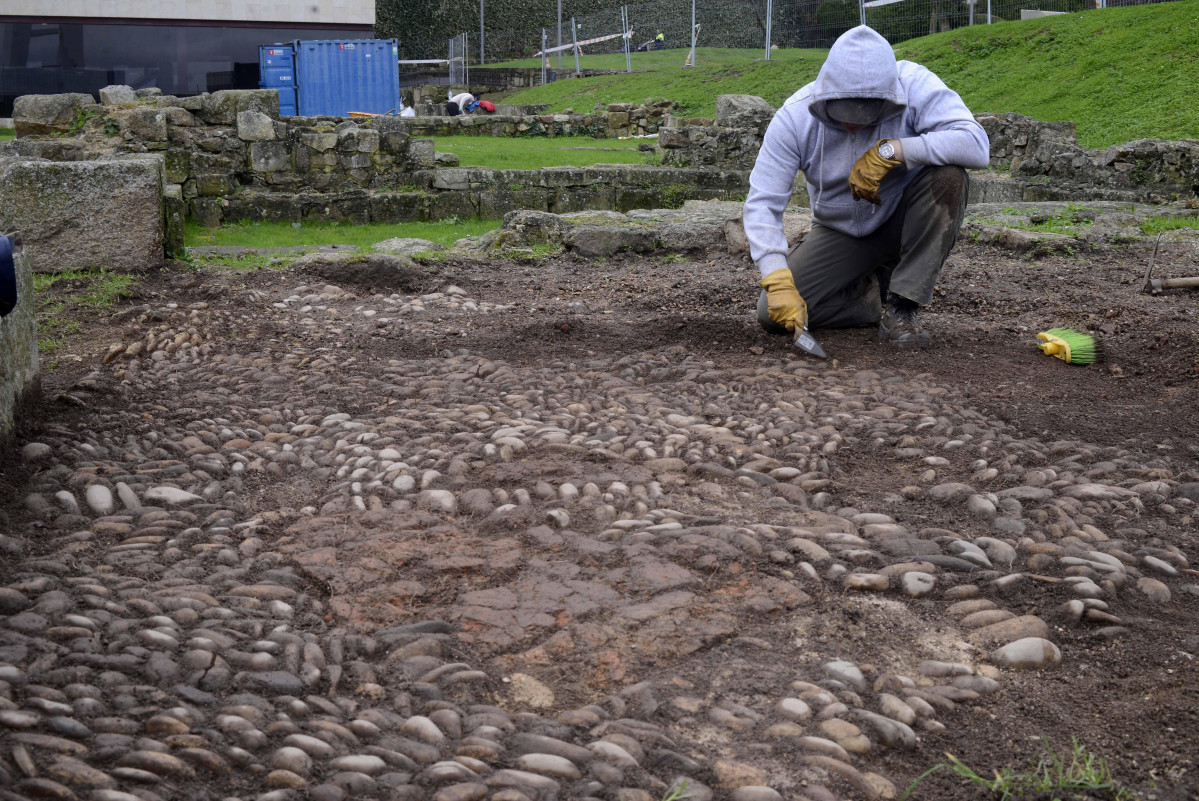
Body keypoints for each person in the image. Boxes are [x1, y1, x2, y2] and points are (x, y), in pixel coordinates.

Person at [743, 25, 989, 347]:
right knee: (770, 316)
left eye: (866, 113)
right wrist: (776, 279)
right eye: (843, 111)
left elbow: (975, 145)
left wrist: (895, 151)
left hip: (904, 219)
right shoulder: (794, 118)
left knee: (949, 176)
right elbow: (763, 203)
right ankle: (872, 293)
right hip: (840, 231)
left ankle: (902, 307)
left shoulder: (914, 84)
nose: (853, 123)